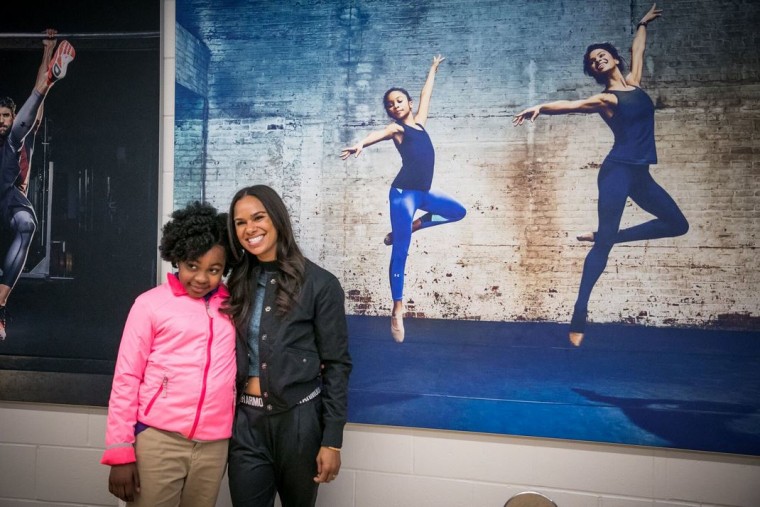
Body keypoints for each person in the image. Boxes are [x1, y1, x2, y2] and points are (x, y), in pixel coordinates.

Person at [513, 4, 688, 347]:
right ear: (594, 71)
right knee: (603, 248)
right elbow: (570, 105)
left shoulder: (635, 84)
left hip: (640, 175)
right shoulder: (605, 98)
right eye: (593, 60)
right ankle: (580, 312)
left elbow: (639, 48)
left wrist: (641, 23)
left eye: (602, 54)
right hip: (616, 173)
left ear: (614, 58)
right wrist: (541, 107)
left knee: (677, 224)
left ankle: (607, 236)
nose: (598, 60)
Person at [101, 202, 236, 506]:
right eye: (192, 266)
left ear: (224, 269)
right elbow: (127, 377)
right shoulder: (149, 305)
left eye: (213, 270)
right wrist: (120, 450)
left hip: (214, 445)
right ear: (176, 258)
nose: (201, 278)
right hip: (158, 439)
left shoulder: (233, 307)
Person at [225, 185, 352, 507]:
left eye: (258, 217)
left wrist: (332, 440)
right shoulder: (236, 282)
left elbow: (337, 364)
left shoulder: (321, 284)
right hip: (246, 425)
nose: (250, 229)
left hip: (300, 422)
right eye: (240, 222)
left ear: (278, 219)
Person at [340, 55, 466, 343]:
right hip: (402, 195)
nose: (394, 106)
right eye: (389, 104)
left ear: (408, 103)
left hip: (423, 193)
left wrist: (433, 68)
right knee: (401, 251)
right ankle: (397, 308)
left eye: (399, 101)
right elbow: (380, 133)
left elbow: (426, 94)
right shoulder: (397, 130)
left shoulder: (420, 123)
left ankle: (412, 226)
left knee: (458, 211)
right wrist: (361, 143)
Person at [0, 30, 75, 340]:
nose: (1, 120)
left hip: (10, 198)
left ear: (13, 115)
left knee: (27, 225)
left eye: (5, 115)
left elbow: (35, 96)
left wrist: (47, 53)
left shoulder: (21, 133)